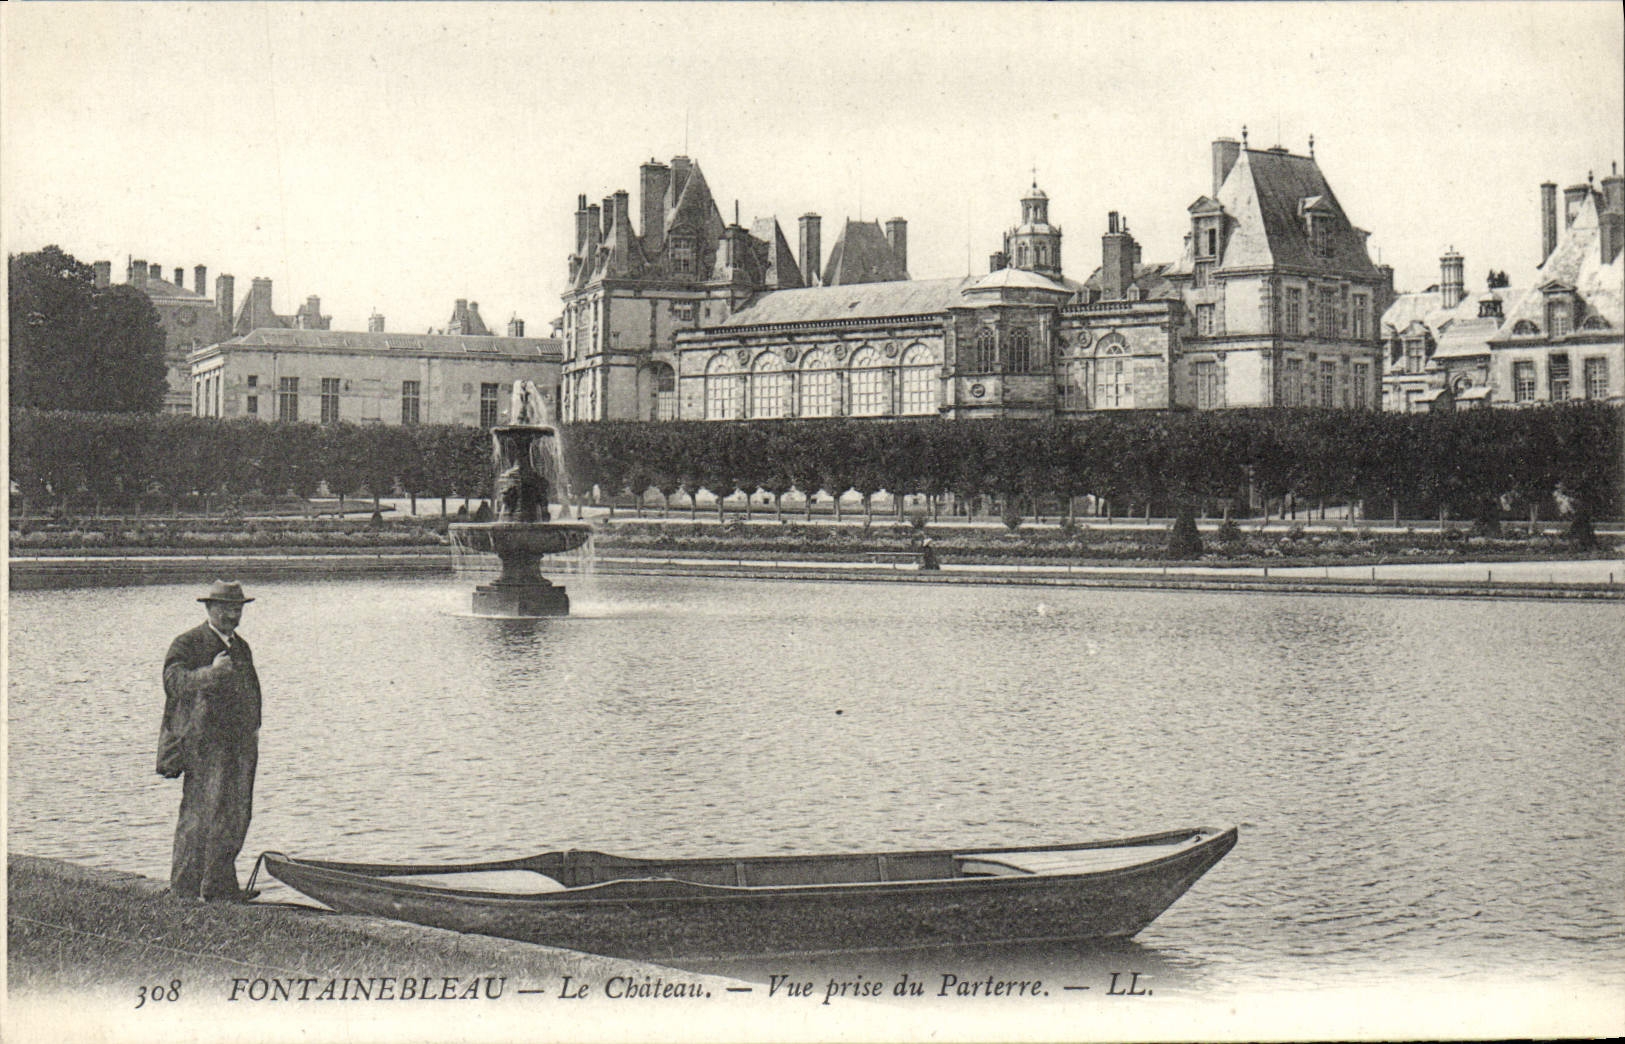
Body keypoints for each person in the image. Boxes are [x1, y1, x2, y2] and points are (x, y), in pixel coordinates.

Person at [158, 580, 262, 902]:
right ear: (209, 608)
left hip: (239, 746)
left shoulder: (241, 646)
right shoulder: (187, 643)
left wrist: (254, 728)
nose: (232, 615)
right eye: (226, 609)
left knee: (235, 816)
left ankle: (221, 888)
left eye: (237, 609)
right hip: (204, 745)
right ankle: (184, 891)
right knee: (199, 815)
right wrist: (211, 673)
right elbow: (173, 683)